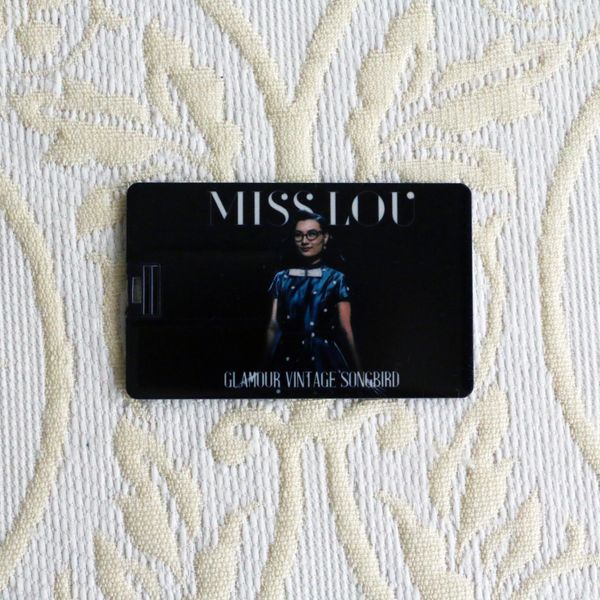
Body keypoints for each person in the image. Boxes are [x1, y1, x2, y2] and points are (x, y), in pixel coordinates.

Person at [266, 211, 360, 372]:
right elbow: (273, 326)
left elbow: (345, 329)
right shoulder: (281, 279)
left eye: (312, 234)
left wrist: (359, 372)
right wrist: (263, 369)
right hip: (287, 358)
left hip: (325, 359)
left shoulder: (336, 279)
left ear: (325, 237)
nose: (304, 241)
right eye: (298, 235)